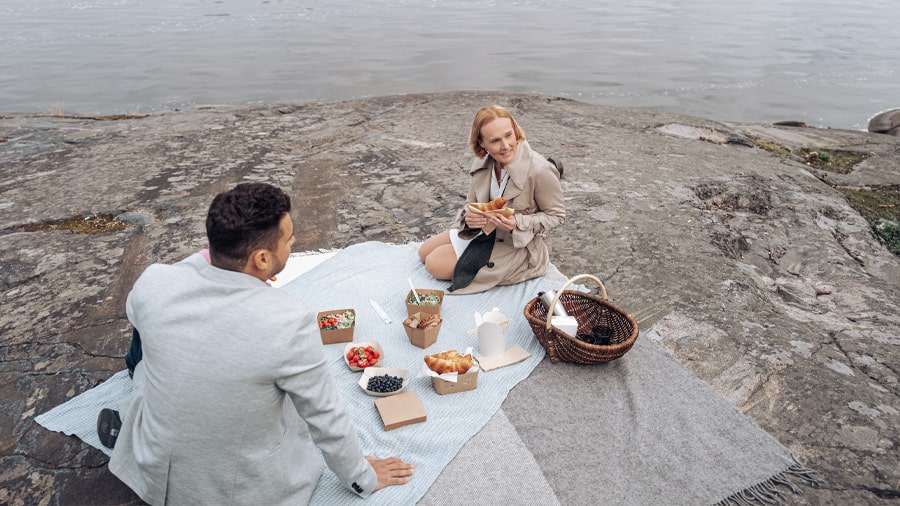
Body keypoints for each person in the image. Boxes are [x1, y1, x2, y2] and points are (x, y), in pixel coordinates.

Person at [99, 183, 414, 505]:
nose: (294, 243)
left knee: (155, 360)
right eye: (289, 240)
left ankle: (128, 426)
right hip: (227, 490)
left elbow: (138, 315)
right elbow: (326, 417)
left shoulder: (155, 280)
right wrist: (363, 477)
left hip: (153, 466)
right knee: (289, 400)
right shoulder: (288, 321)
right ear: (262, 259)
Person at [418, 105, 566, 294]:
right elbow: (470, 206)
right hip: (484, 233)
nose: (505, 145)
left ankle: (518, 270)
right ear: (482, 144)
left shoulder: (539, 170)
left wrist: (517, 222)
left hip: (514, 246)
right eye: (495, 140)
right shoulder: (481, 164)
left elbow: (557, 215)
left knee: (433, 264)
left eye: (508, 135)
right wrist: (469, 219)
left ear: (516, 131)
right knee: (423, 252)